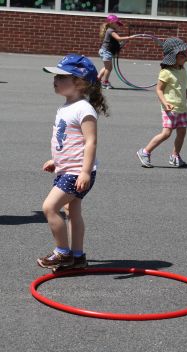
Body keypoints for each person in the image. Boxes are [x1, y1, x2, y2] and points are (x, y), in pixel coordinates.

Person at [37, 54, 108, 270]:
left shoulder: (83, 109)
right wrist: (56, 161)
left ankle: (62, 253)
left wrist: (85, 172)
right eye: (55, 77)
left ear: (79, 82)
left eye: (61, 77)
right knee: (72, 211)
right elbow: (66, 139)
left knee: (49, 207)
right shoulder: (66, 106)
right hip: (67, 169)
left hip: (78, 171)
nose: (55, 80)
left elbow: (90, 142)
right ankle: (78, 257)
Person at [137, 38, 187, 168]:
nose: (185, 57)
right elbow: (158, 90)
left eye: (185, 54)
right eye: (181, 55)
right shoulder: (166, 72)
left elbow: (182, 87)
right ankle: (145, 152)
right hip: (169, 108)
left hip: (182, 108)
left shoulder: (182, 70)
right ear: (172, 57)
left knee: (182, 133)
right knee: (166, 133)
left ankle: (175, 156)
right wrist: (165, 103)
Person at [98, 14, 134, 89]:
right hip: (106, 51)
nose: (118, 25)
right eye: (116, 23)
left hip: (104, 51)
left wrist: (125, 40)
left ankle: (97, 79)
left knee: (106, 67)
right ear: (111, 23)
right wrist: (129, 37)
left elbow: (117, 42)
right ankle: (105, 82)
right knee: (109, 68)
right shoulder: (111, 30)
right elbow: (118, 38)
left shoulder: (110, 30)